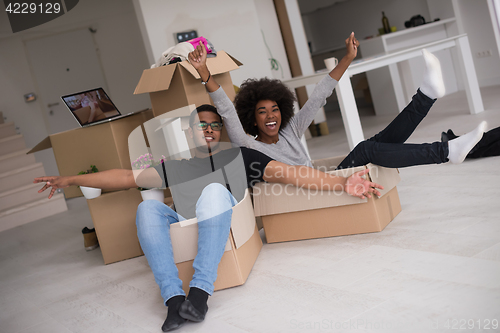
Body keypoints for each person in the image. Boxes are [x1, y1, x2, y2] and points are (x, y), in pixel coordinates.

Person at [34, 105, 383, 332]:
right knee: (146, 208)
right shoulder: (178, 166)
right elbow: (125, 178)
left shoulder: (241, 157)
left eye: (215, 125)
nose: (209, 130)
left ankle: (199, 294)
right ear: (188, 133)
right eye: (201, 125)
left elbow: (291, 174)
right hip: (186, 223)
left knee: (213, 193)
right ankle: (173, 300)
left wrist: (342, 182)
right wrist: (71, 180)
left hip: (221, 218)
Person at [188, 35, 487, 170]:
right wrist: (204, 74)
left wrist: (347, 59)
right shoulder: (249, 145)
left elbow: (320, 95)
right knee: (366, 149)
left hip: (325, 181)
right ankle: (445, 151)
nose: (271, 116)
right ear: (252, 119)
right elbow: (226, 109)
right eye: (262, 111)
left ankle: (426, 96)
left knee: (378, 142)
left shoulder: (291, 130)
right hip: (312, 192)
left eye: (275, 109)